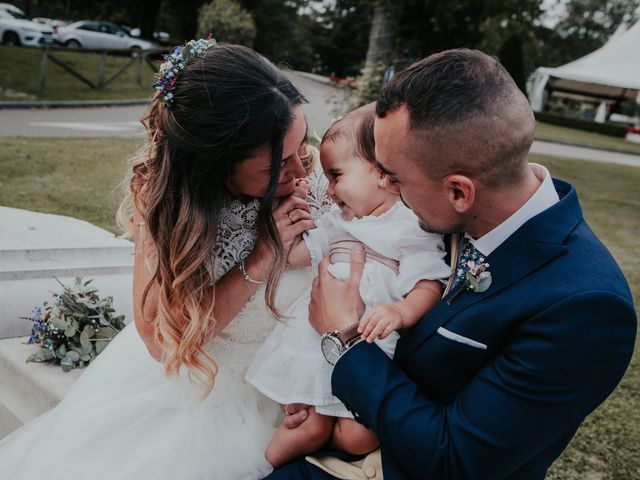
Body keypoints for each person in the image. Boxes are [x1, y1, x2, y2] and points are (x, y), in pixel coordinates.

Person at [267, 49, 637, 479]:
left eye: (396, 179)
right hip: (322, 425)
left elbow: (453, 459)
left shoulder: (585, 308)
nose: (388, 190)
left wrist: (344, 339)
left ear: (459, 192)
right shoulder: (456, 203)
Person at [0, 40, 333, 479]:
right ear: (216, 165)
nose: (301, 171)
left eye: (300, 145)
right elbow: (163, 340)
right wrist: (264, 257)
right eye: (277, 166)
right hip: (212, 397)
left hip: (311, 386)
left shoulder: (322, 172)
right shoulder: (168, 208)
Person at [246, 103, 450, 468]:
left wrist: (400, 311)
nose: (331, 190)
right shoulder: (336, 221)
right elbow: (295, 255)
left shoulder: (410, 223)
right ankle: (267, 467)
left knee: (358, 438)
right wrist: (297, 208)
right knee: (307, 428)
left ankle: (328, 450)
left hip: (367, 339)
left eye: (336, 175)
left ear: (382, 173)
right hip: (315, 340)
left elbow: (428, 282)